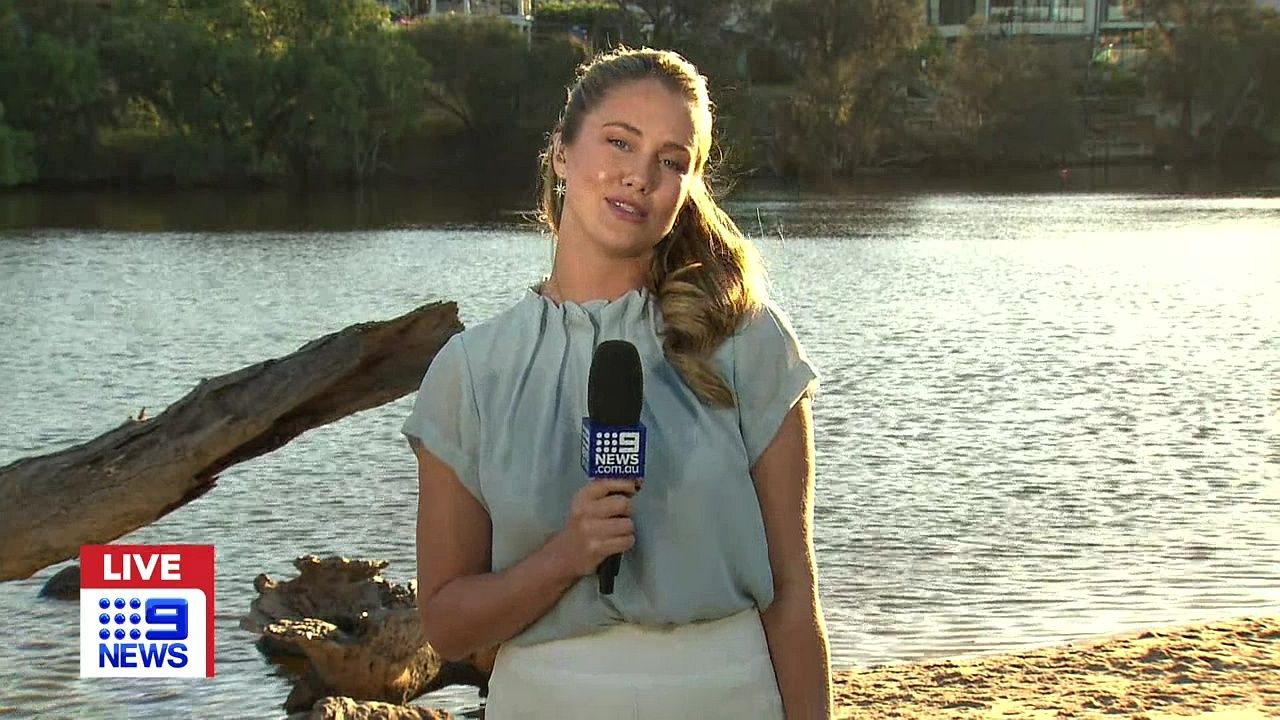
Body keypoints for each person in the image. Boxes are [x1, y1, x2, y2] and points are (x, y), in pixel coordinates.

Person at [402, 47, 832, 719]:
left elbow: (794, 593)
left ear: (687, 188)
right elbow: (448, 627)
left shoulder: (745, 341)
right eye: (620, 143)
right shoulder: (472, 372)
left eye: (672, 161)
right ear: (561, 153)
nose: (640, 176)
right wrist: (564, 556)